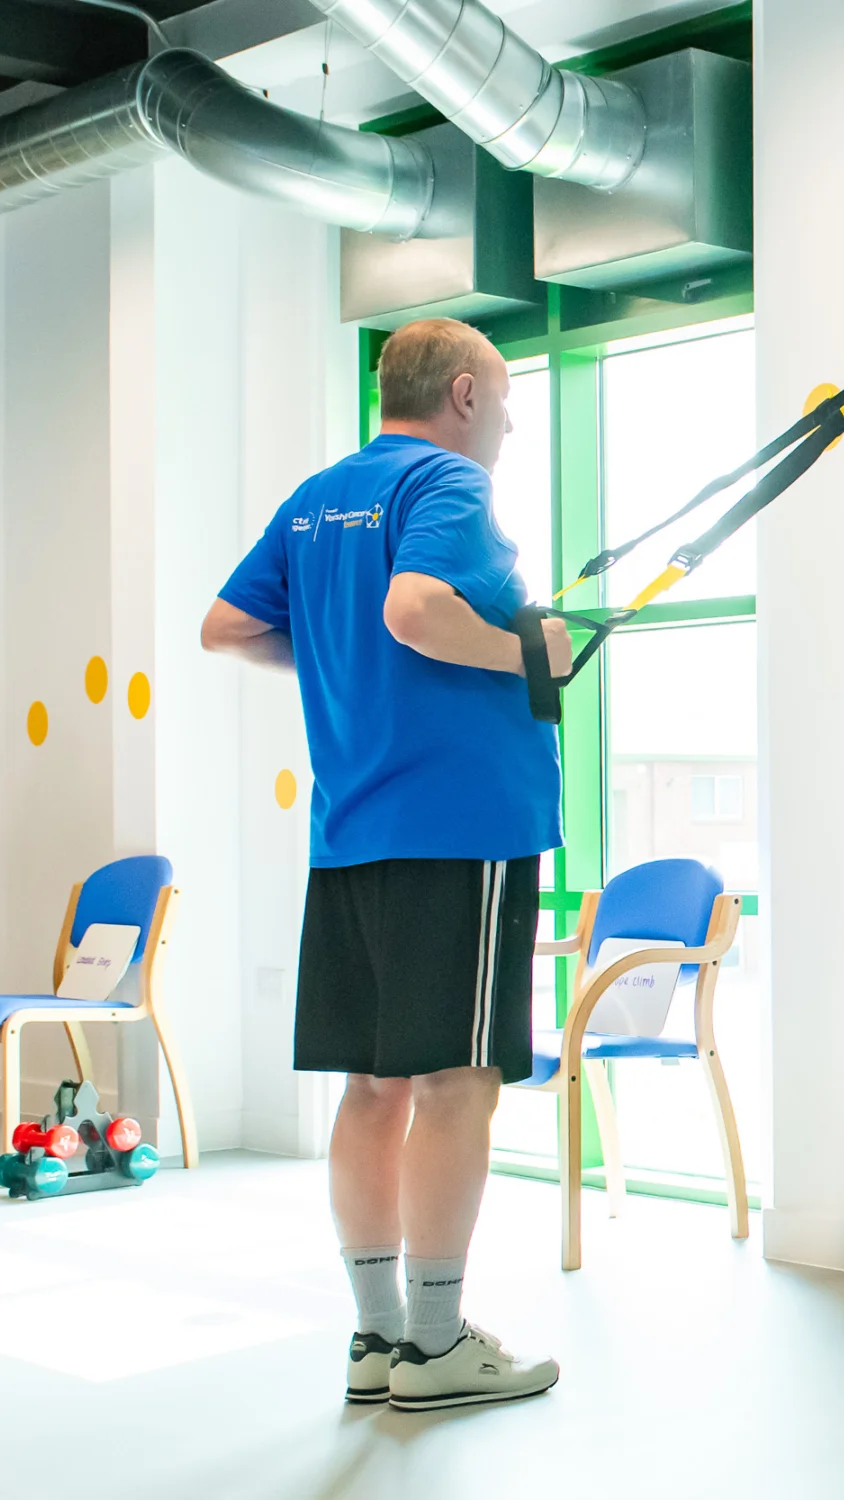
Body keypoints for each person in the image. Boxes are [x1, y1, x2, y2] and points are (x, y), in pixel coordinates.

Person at [201, 317, 571, 1413]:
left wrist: (332, 657)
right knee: (461, 1084)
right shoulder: (449, 486)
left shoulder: (319, 498)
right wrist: (527, 656)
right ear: (462, 394)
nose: (506, 422)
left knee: (372, 1090)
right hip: (460, 829)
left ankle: (379, 1340)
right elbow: (415, 611)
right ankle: (439, 1341)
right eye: (502, 401)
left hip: (351, 832)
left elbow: (225, 627)